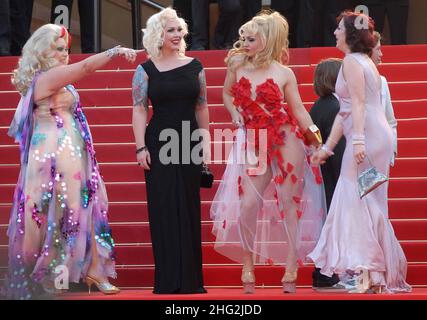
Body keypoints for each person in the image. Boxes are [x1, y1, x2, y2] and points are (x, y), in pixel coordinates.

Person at [3, 23, 136, 299]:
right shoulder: (43, 79)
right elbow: (86, 68)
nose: (65, 54)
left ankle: (95, 271)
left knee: (85, 209)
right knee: (49, 216)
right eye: (59, 49)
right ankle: (45, 274)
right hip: (49, 157)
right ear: (42, 52)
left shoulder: (59, 79)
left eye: (67, 49)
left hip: (73, 154)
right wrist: (115, 50)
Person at [210, 11, 326, 294]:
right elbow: (226, 93)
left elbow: (298, 110)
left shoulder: (284, 73)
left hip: (285, 137)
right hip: (253, 138)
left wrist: (316, 140)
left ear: (267, 41)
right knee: (248, 203)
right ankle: (247, 264)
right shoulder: (236, 64)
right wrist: (234, 111)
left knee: (289, 201)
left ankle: (291, 264)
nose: (245, 43)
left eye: (252, 38)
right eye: (244, 38)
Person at [307, 11, 411, 293]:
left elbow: (359, 105)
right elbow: (346, 111)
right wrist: (328, 147)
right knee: (369, 202)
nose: (334, 33)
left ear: (350, 34)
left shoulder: (353, 62)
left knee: (355, 199)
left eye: (339, 28)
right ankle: (374, 274)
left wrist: (359, 143)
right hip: (375, 136)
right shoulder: (360, 61)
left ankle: (373, 271)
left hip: (370, 138)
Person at [132, 7, 209, 294]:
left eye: (179, 30)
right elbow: (139, 109)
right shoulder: (145, 69)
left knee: (188, 208)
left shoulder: (195, 66)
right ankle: (167, 281)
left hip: (189, 142)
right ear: (158, 35)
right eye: (171, 30)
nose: (177, 35)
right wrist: (140, 147)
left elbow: (202, 106)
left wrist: (205, 143)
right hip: (158, 143)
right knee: (163, 208)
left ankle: (191, 282)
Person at [309, 58, 346, 291]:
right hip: (333, 176)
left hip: (324, 175)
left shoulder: (320, 105)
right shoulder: (333, 108)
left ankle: (325, 272)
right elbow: (338, 149)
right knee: (332, 224)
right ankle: (325, 273)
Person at [371, 31, 398, 165]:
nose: (381, 54)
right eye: (378, 49)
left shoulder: (382, 81)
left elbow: (390, 120)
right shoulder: (347, 78)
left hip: (380, 152)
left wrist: (391, 150)